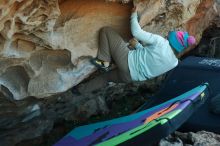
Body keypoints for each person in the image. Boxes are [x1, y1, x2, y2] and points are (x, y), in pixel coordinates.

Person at [74, 6, 196, 94]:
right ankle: (79, 91)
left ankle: (104, 61)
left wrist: (133, 14)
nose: (169, 33)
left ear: (174, 39)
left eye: (172, 34)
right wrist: (137, 46)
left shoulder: (161, 42)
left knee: (106, 31)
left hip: (127, 60)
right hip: (131, 77)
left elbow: (136, 32)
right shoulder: (173, 63)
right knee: (105, 78)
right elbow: (151, 60)